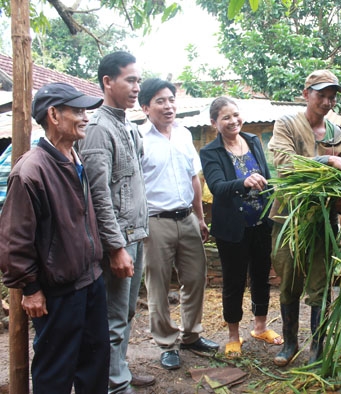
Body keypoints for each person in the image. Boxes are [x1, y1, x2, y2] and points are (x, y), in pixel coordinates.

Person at [0, 82, 108, 393]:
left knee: (95, 364)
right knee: (55, 372)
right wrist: (30, 288)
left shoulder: (75, 158)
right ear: (53, 115)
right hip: (58, 292)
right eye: (78, 111)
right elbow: (13, 241)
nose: (85, 117)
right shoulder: (30, 171)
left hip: (91, 281)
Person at [268, 70, 341, 367]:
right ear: (306, 94)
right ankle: (290, 342)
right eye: (321, 95)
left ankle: (317, 347)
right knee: (290, 281)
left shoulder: (337, 133)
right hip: (289, 219)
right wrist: (328, 160)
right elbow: (284, 162)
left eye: (332, 97)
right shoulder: (287, 123)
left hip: (323, 221)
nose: (328, 101)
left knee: (321, 285)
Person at [77, 51, 154, 394]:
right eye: (130, 80)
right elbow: (98, 196)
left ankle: (119, 370)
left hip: (135, 235)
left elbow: (133, 185)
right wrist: (116, 247)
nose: (137, 87)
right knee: (112, 320)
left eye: (138, 80)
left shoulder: (128, 125)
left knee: (127, 315)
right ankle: (113, 385)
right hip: (119, 241)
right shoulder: (97, 129)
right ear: (108, 82)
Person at [137, 78, 219, 370]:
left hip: (186, 218)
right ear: (146, 107)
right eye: (160, 101)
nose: (168, 106)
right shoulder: (138, 139)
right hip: (155, 221)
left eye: (171, 99)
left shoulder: (184, 135)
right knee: (157, 284)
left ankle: (191, 335)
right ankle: (166, 342)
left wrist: (199, 216)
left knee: (195, 277)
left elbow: (193, 178)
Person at [201, 97, 283, 357]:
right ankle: (233, 336)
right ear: (214, 122)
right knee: (234, 282)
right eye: (225, 117)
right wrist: (244, 182)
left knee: (261, 277)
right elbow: (217, 187)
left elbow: (267, 177)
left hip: (260, 223)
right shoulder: (210, 152)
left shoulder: (253, 141)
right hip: (233, 230)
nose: (233, 121)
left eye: (235, 115)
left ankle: (260, 327)